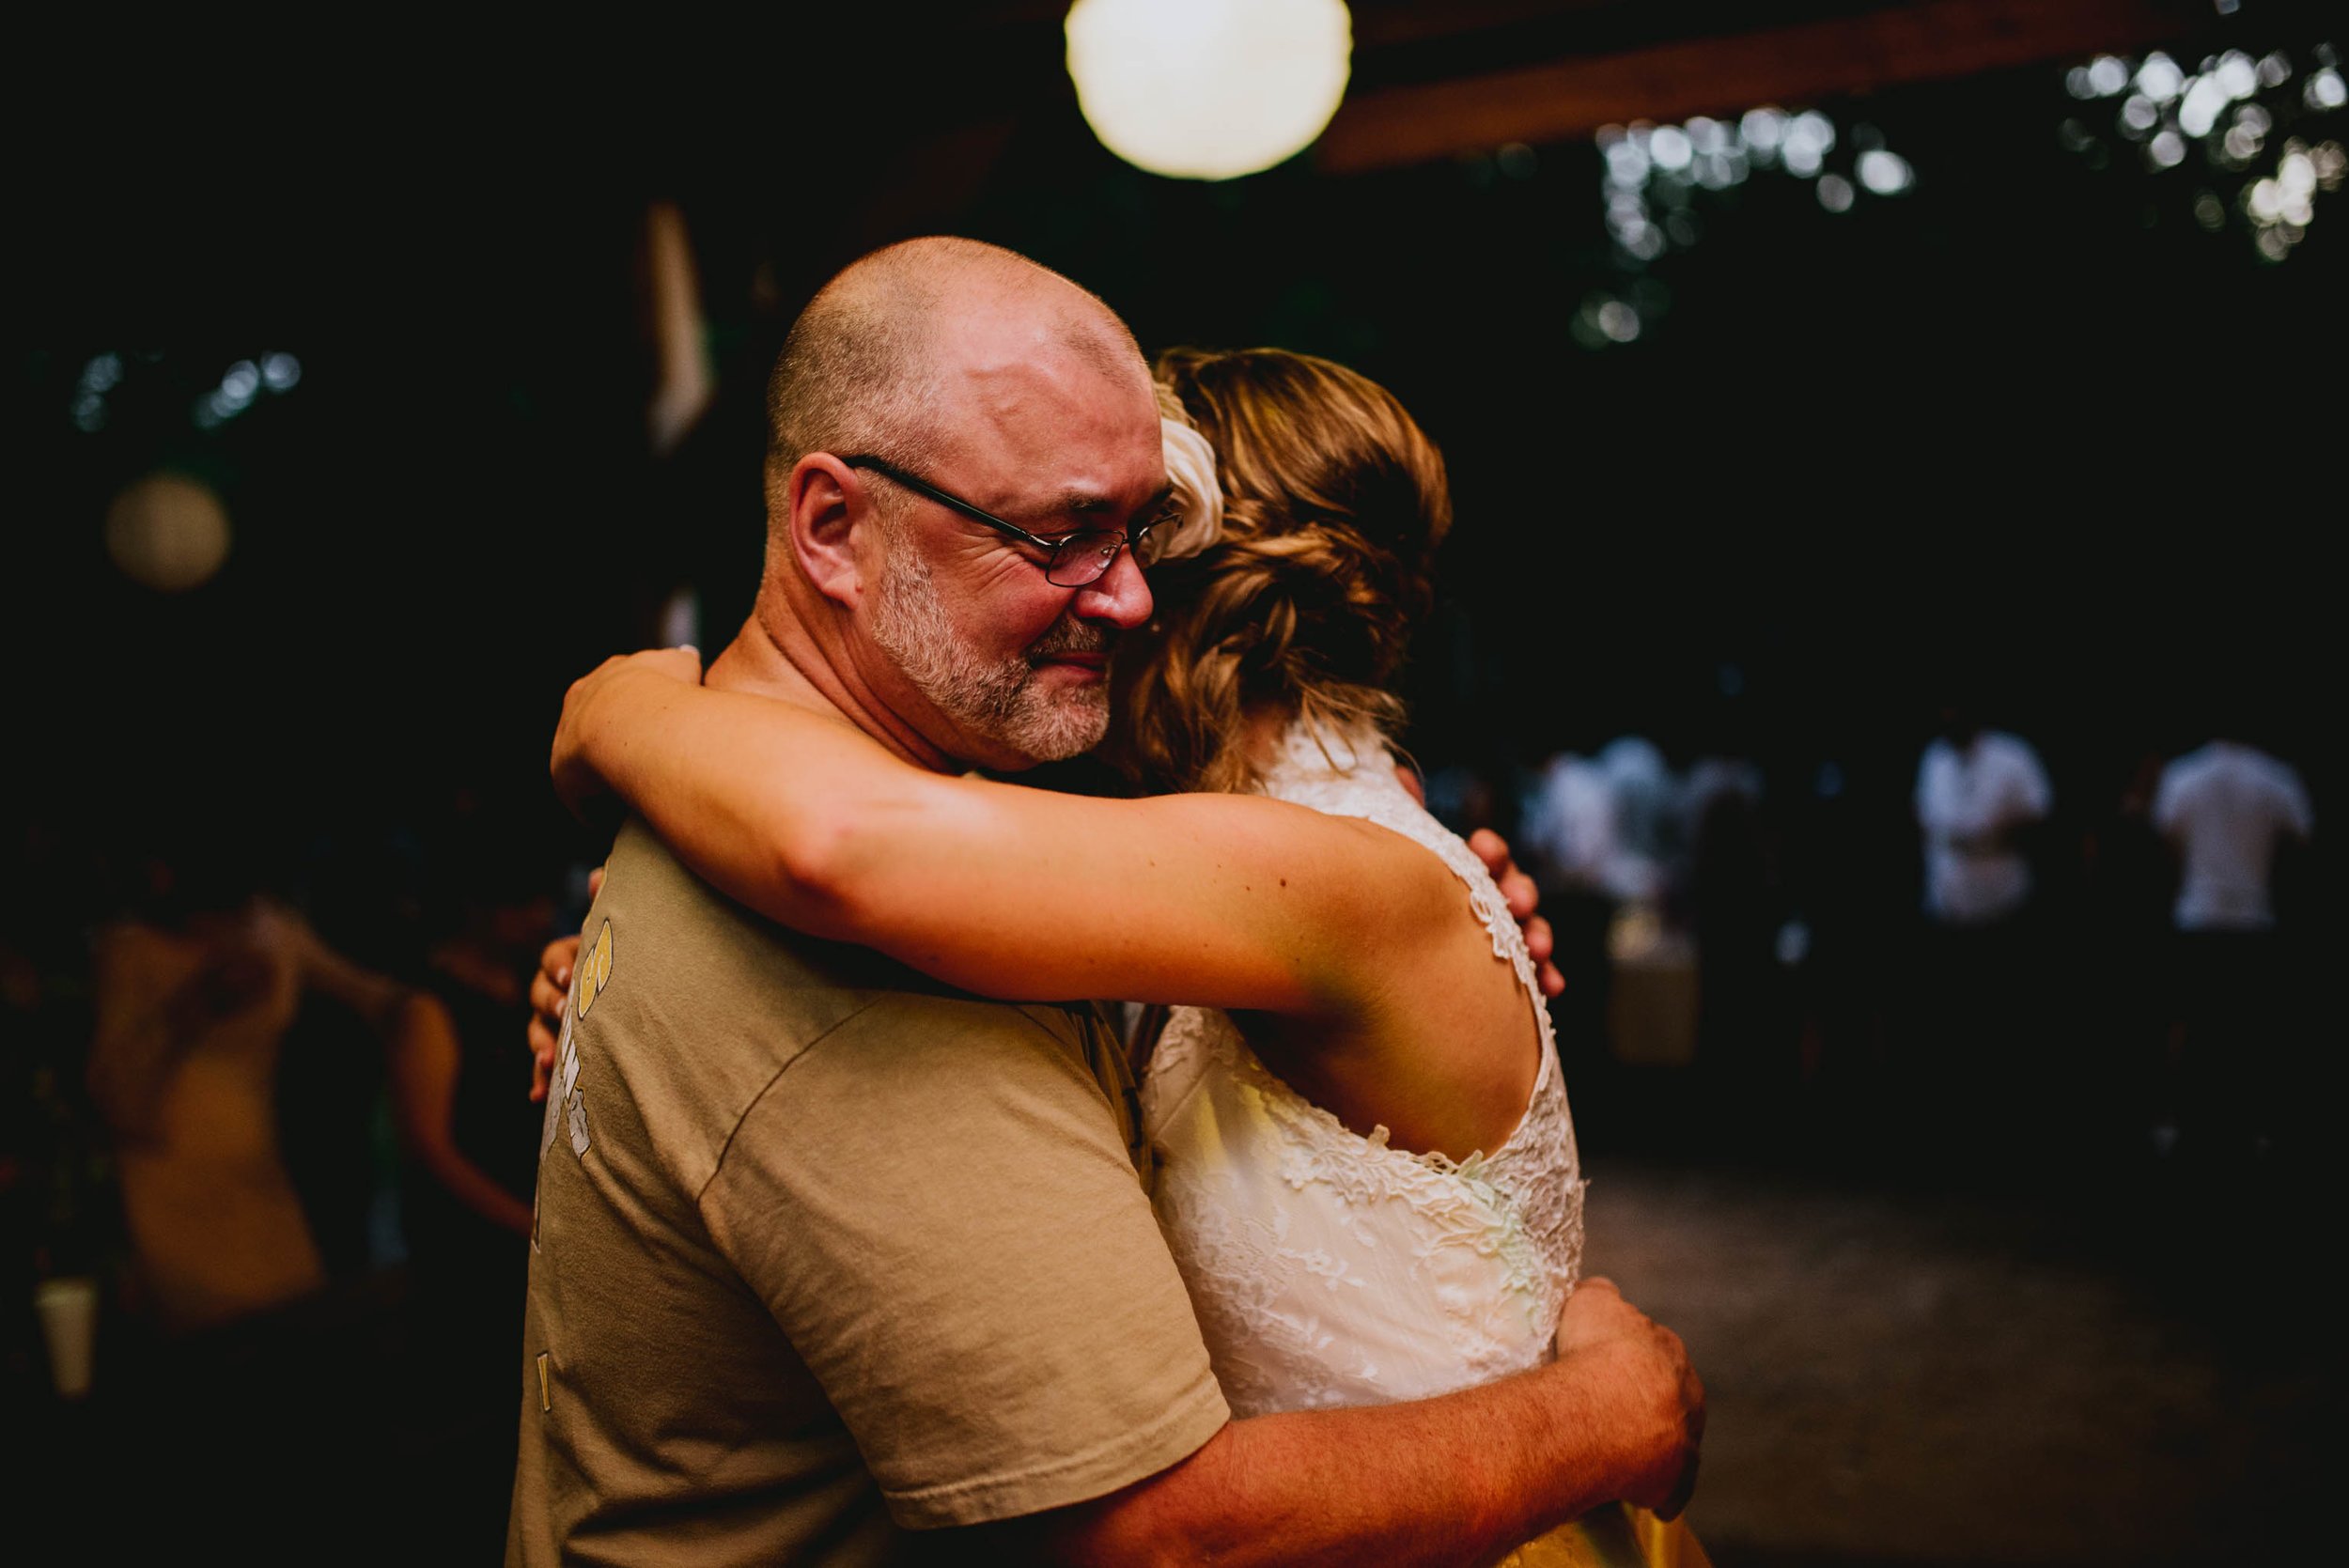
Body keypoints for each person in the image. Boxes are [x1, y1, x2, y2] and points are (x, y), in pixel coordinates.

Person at [508, 238, 1702, 1567]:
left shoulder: (1260, 875)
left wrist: (615, 713)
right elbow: (836, 853)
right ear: (834, 526)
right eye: (1070, 537)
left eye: (1144, 537)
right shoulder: (905, 928)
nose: (1125, 595)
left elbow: (847, 841)